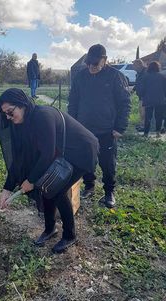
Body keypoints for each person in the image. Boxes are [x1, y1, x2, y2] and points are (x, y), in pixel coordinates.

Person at [0, 88, 99, 253]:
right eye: (5, 114)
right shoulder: (21, 124)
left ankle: (70, 235)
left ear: (22, 104)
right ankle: (50, 229)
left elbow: (47, 154)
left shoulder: (43, 116)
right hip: (60, 153)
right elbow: (19, 158)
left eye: (10, 112)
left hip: (81, 150)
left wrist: (30, 180)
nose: (8, 117)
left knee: (57, 190)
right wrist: (7, 189)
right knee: (45, 187)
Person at [68, 44, 131, 208]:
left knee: (107, 163)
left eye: (95, 64)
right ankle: (89, 186)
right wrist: (73, 124)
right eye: (89, 63)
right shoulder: (80, 77)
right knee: (87, 160)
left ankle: (109, 191)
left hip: (107, 130)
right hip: (84, 129)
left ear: (105, 60)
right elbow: (73, 102)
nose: (91, 67)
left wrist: (120, 127)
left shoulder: (115, 77)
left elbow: (125, 103)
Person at [136, 61, 166, 136]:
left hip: (148, 99)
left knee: (148, 117)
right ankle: (158, 133)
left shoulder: (146, 77)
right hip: (160, 100)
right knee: (158, 117)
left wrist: (141, 95)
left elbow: (142, 88)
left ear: (149, 67)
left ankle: (146, 133)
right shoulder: (162, 77)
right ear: (158, 67)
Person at [132, 59, 147, 130]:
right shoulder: (139, 73)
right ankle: (142, 124)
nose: (133, 67)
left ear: (139, 65)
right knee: (141, 111)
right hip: (141, 95)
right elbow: (137, 84)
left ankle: (143, 126)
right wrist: (132, 91)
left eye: (134, 65)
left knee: (143, 111)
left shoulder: (145, 72)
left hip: (145, 96)